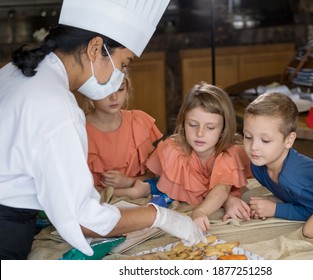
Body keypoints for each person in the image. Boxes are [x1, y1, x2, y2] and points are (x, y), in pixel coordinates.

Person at [0, 0, 206, 260]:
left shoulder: (14, 72)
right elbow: (85, 219)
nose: (121, 75)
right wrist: (159, 216)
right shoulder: (56, 107)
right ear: (96, 48)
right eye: (124, 64)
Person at [127, 82, 253, 231]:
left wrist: (200, 212)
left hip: (219, 191)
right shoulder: (175, 149)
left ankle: (143, 188)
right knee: (152, 182)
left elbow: (221, 190)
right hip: (151, 181)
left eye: (210, 127)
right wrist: (130, 181)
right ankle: (138, 186)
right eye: (192, 125)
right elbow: (153, 173)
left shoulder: (229, 154)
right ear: (183, 122)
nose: (200, 133)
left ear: (223, 129)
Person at [243, 92, 313, 221]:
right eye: (248, 137)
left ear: (289, 140)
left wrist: (275, 209)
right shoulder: (258, 166)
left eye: (265, 140)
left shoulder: (293, 178)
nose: (253, 147)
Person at [84, 75, 162, 199]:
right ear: (89, 91)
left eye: (120, 89)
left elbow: (154, 176)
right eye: (107, 90)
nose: (114, 97)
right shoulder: (80, 129)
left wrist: (127, 181)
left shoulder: (138, 123)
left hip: (138, 205)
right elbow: (74, 188)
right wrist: (129, 193)